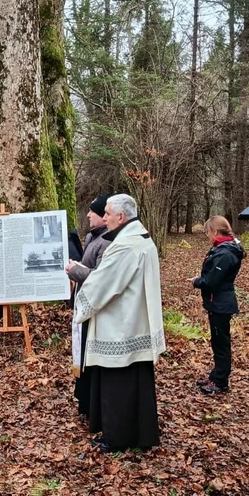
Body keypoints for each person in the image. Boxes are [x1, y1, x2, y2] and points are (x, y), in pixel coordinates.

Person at [74, 193, 164, 452]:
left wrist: (81, 295)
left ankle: (118, 437)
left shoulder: (126, 246)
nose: (105, 218)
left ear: (121, 216)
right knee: (135, 384)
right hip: (135, 322)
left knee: (118, 387)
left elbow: (103, 283)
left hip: (121, 329)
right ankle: (138, 432)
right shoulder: (140, 238)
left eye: (108, 214)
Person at [67, 194, 113, 418]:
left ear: (105, 216)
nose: (88, 215)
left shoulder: (108, 241)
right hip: (84, 305)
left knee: (89, 355)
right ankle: (84, 399)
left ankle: (89, 401)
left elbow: (101, 277)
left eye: (92, 211)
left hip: (94, 309)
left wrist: (75, 270)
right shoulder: (92, 237)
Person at [189, 216, 244, 395]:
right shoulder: (222, 249)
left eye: (207, 232)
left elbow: (212, 281)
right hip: (217, 303)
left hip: (221, 304)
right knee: (218, 342)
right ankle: (216, 376)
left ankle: (220, 381)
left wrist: (197, 281)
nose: (207, 236)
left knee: (221, 344)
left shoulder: (226, 253)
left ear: (214, 231)